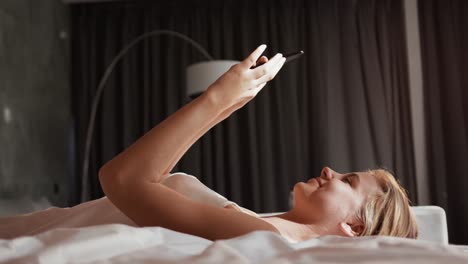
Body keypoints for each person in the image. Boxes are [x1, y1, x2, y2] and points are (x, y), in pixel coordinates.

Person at [0, 45, 418, 242]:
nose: (330, 170)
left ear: (355, 227)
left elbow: (122, 179)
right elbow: (148, 180)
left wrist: (218, 98)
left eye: (347, 180)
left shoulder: (262, 237)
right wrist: (228, 103)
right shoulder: (260, 223)